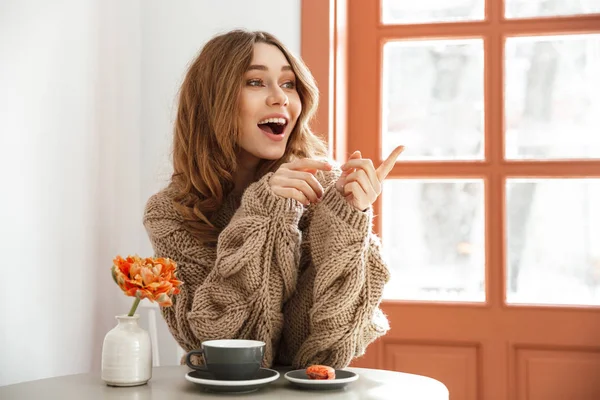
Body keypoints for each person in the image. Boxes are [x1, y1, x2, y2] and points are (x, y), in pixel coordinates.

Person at [143, 29, 404, 369]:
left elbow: (324, 354)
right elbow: (217, 347)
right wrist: (263, 211)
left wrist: (348, 218)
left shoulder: (321, 190)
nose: (280, 98)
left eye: (289, 83)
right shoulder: (170, 213)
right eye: (255, 82)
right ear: (212, 100)